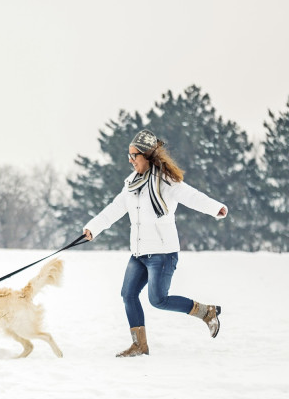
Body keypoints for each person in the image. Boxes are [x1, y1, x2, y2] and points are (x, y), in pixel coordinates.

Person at [82, 129, 228, 357]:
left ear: (147, 156)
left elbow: (192, 196)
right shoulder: (131, 184)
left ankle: (206, 312)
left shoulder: (166, 181)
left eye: (134, 156)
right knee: (128, 295)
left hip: (162, 253)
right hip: (139, 252)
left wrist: (215, 208)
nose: (130, 161)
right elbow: (114, 209)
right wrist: (93, 228)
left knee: (158, 299)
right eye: (128, 156)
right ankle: (139, 345)